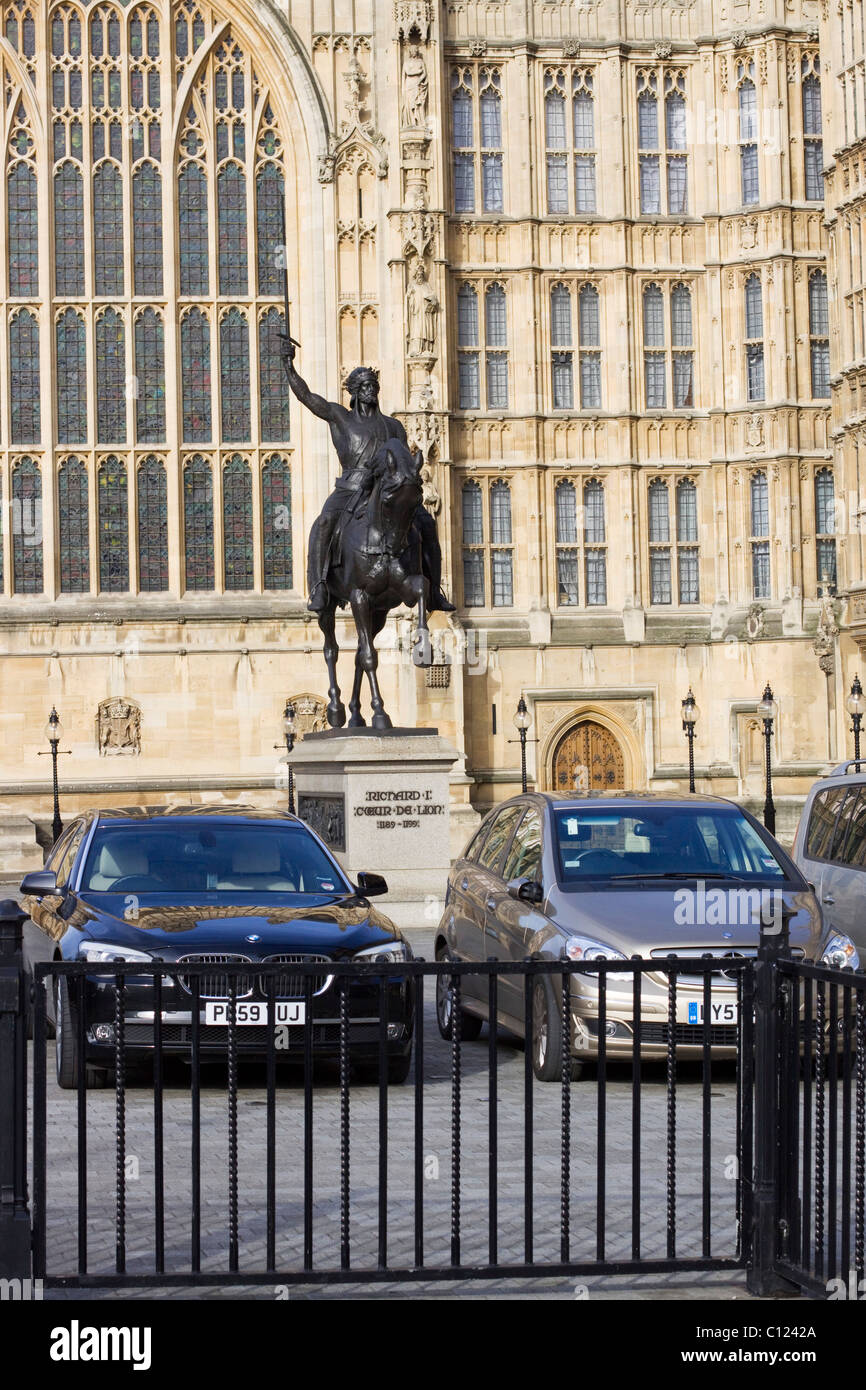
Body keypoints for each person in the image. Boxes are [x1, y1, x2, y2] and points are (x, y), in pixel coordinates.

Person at [280, 338, 454, 613]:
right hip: (349, 488)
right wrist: (289, 366)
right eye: (364, 387)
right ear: (354, 392)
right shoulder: (341, 418)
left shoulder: (393, 427)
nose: (370, 390)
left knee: (427, 525)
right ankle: (319, 588)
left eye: (373, 386)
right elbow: (309, 398)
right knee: (324, 524)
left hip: (384, 490)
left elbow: (404, 461)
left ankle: (433, 591)